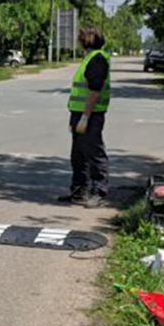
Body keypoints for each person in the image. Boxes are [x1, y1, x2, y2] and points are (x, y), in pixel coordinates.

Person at [58, 27, 111, 208]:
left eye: (80, 39)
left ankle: (99, 192)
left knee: (94, 153)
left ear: (86, 41)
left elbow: (95, 92)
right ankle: (80, 190)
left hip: (91, 115)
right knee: (79, 155)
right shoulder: (90, 58)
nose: (78, 42)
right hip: (79, 113)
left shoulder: (97, 59)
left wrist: (85, 117)